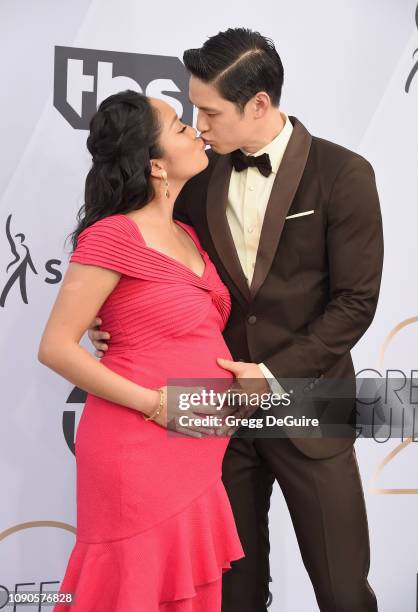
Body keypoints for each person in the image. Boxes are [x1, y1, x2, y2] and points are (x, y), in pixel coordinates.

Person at [91, 28, 384, 612]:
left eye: (209, 111)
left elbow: (355, 302)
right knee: (234, 594)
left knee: (343, 590)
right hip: (216, 416)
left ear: (258, 104)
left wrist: (271, 374)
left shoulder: (344, 173)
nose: (198, 125)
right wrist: (111, 321)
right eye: (193, 111)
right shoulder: (195, 176)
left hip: (312, 403)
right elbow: (153, 258)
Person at [38, 89, 245, 612]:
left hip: (197, 454)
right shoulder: (113, 236)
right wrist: (157, 404)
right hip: (139, 447)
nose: (195, 129)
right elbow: (56, 347)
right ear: (156, 166)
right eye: (179, 126)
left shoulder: (188, 235)